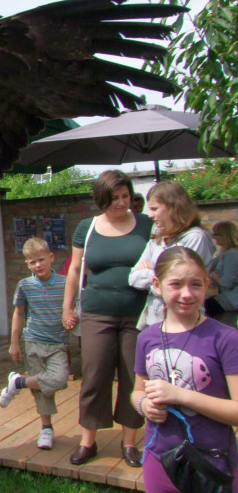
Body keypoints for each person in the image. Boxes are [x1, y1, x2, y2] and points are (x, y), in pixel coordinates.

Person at [63, 170, 153, 467]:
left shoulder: (146, 225)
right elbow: (75, 269)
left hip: (138, 315)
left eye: (125, 196)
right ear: (102, 199)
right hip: (96, 314)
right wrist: (67, 307)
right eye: (114, 198)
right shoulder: (87, 228)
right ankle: (88, 442)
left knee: (133, 378)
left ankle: (129, 443)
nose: (121, 202)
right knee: (95, 375)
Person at [132, 246, 238, 493]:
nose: (187, 293)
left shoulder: (226, 338)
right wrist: (143, 405)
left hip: (213, 462)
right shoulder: (146, 338)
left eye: (196, 284)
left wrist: (180, 395)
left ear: (207, 285)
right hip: (159, 459)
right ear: (157, 285)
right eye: (176, 284)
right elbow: (137, 391)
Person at [0, 237, 69, 451]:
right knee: (41, 390)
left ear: (51, 257)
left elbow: (73, 306)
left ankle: (18, 382)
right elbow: (18, 313)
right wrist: (14, 343)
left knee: (59, 378)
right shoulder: (25, 286)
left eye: (41, 260)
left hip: (57, 342)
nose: (38, 265)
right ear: (27, 264)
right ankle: (46, 428)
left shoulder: (66, 283)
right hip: (34, 341)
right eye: (32, 262)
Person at [129, 181, 215, 330]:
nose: (150, 215)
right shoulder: (157, 238)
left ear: (173, 207)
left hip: (186, 323)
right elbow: (133, 278)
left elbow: (182, 283)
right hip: (154, 321)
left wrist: (150, 273)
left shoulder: (195, 238)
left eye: (154, 209)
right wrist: (160, 277)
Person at [205, 221, 238, 317]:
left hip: (232, 301)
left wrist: (214, 276)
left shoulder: (231, 255)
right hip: (227, 299)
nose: (214, 237)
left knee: (206, 306)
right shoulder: (224, 253)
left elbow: (227, 283)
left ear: (224, 235)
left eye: (215, 234)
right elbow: (211, 264)